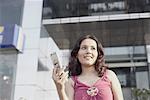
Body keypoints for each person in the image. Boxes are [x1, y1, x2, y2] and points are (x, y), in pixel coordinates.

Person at [52, 34, 124, 100]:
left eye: (93, 48)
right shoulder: (71, 82)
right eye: (84, 48)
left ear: (98, 54)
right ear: (77, 54)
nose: (88, 51)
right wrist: (60, 88)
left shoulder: (109, 75)